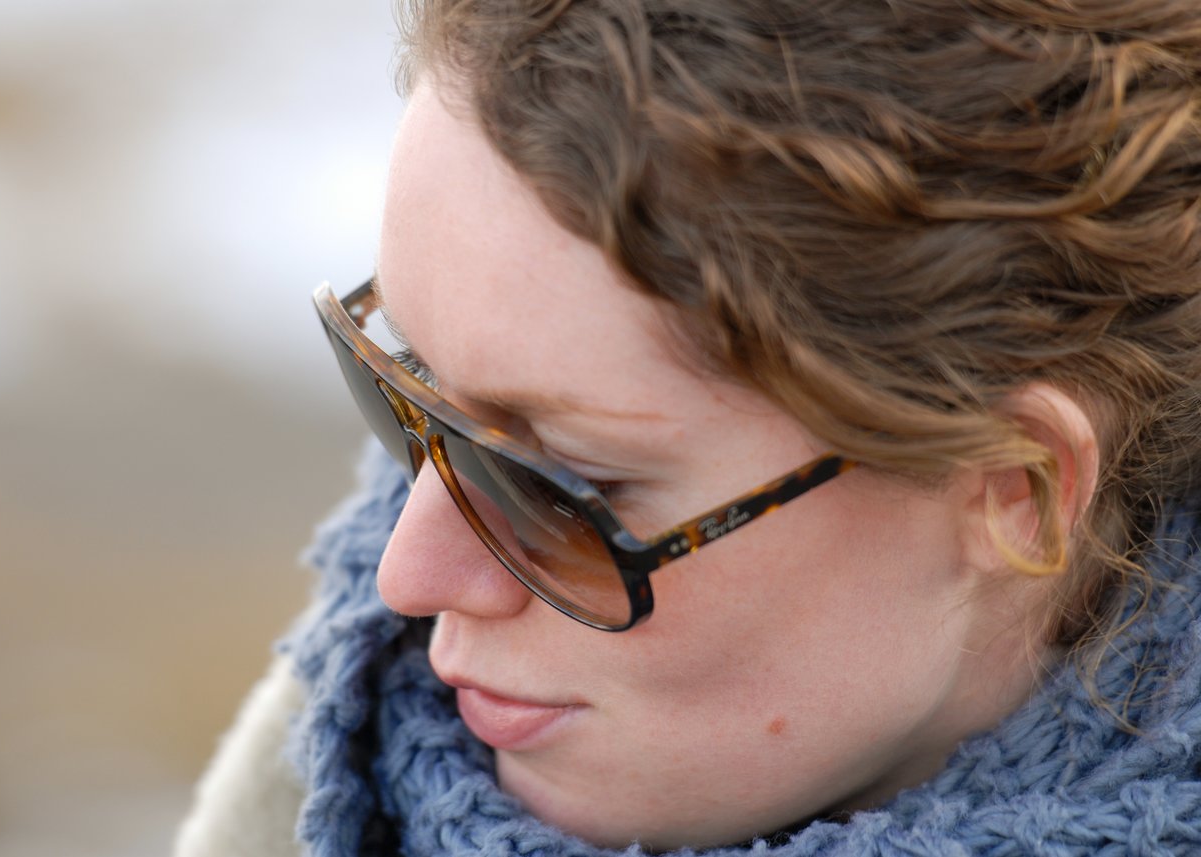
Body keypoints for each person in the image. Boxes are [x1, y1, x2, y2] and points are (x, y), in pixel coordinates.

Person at [176, 1, 1201, 854]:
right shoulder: (334, 743)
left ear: (1013, 492)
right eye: (406, 390)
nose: (406, 575)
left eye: (564, 485)